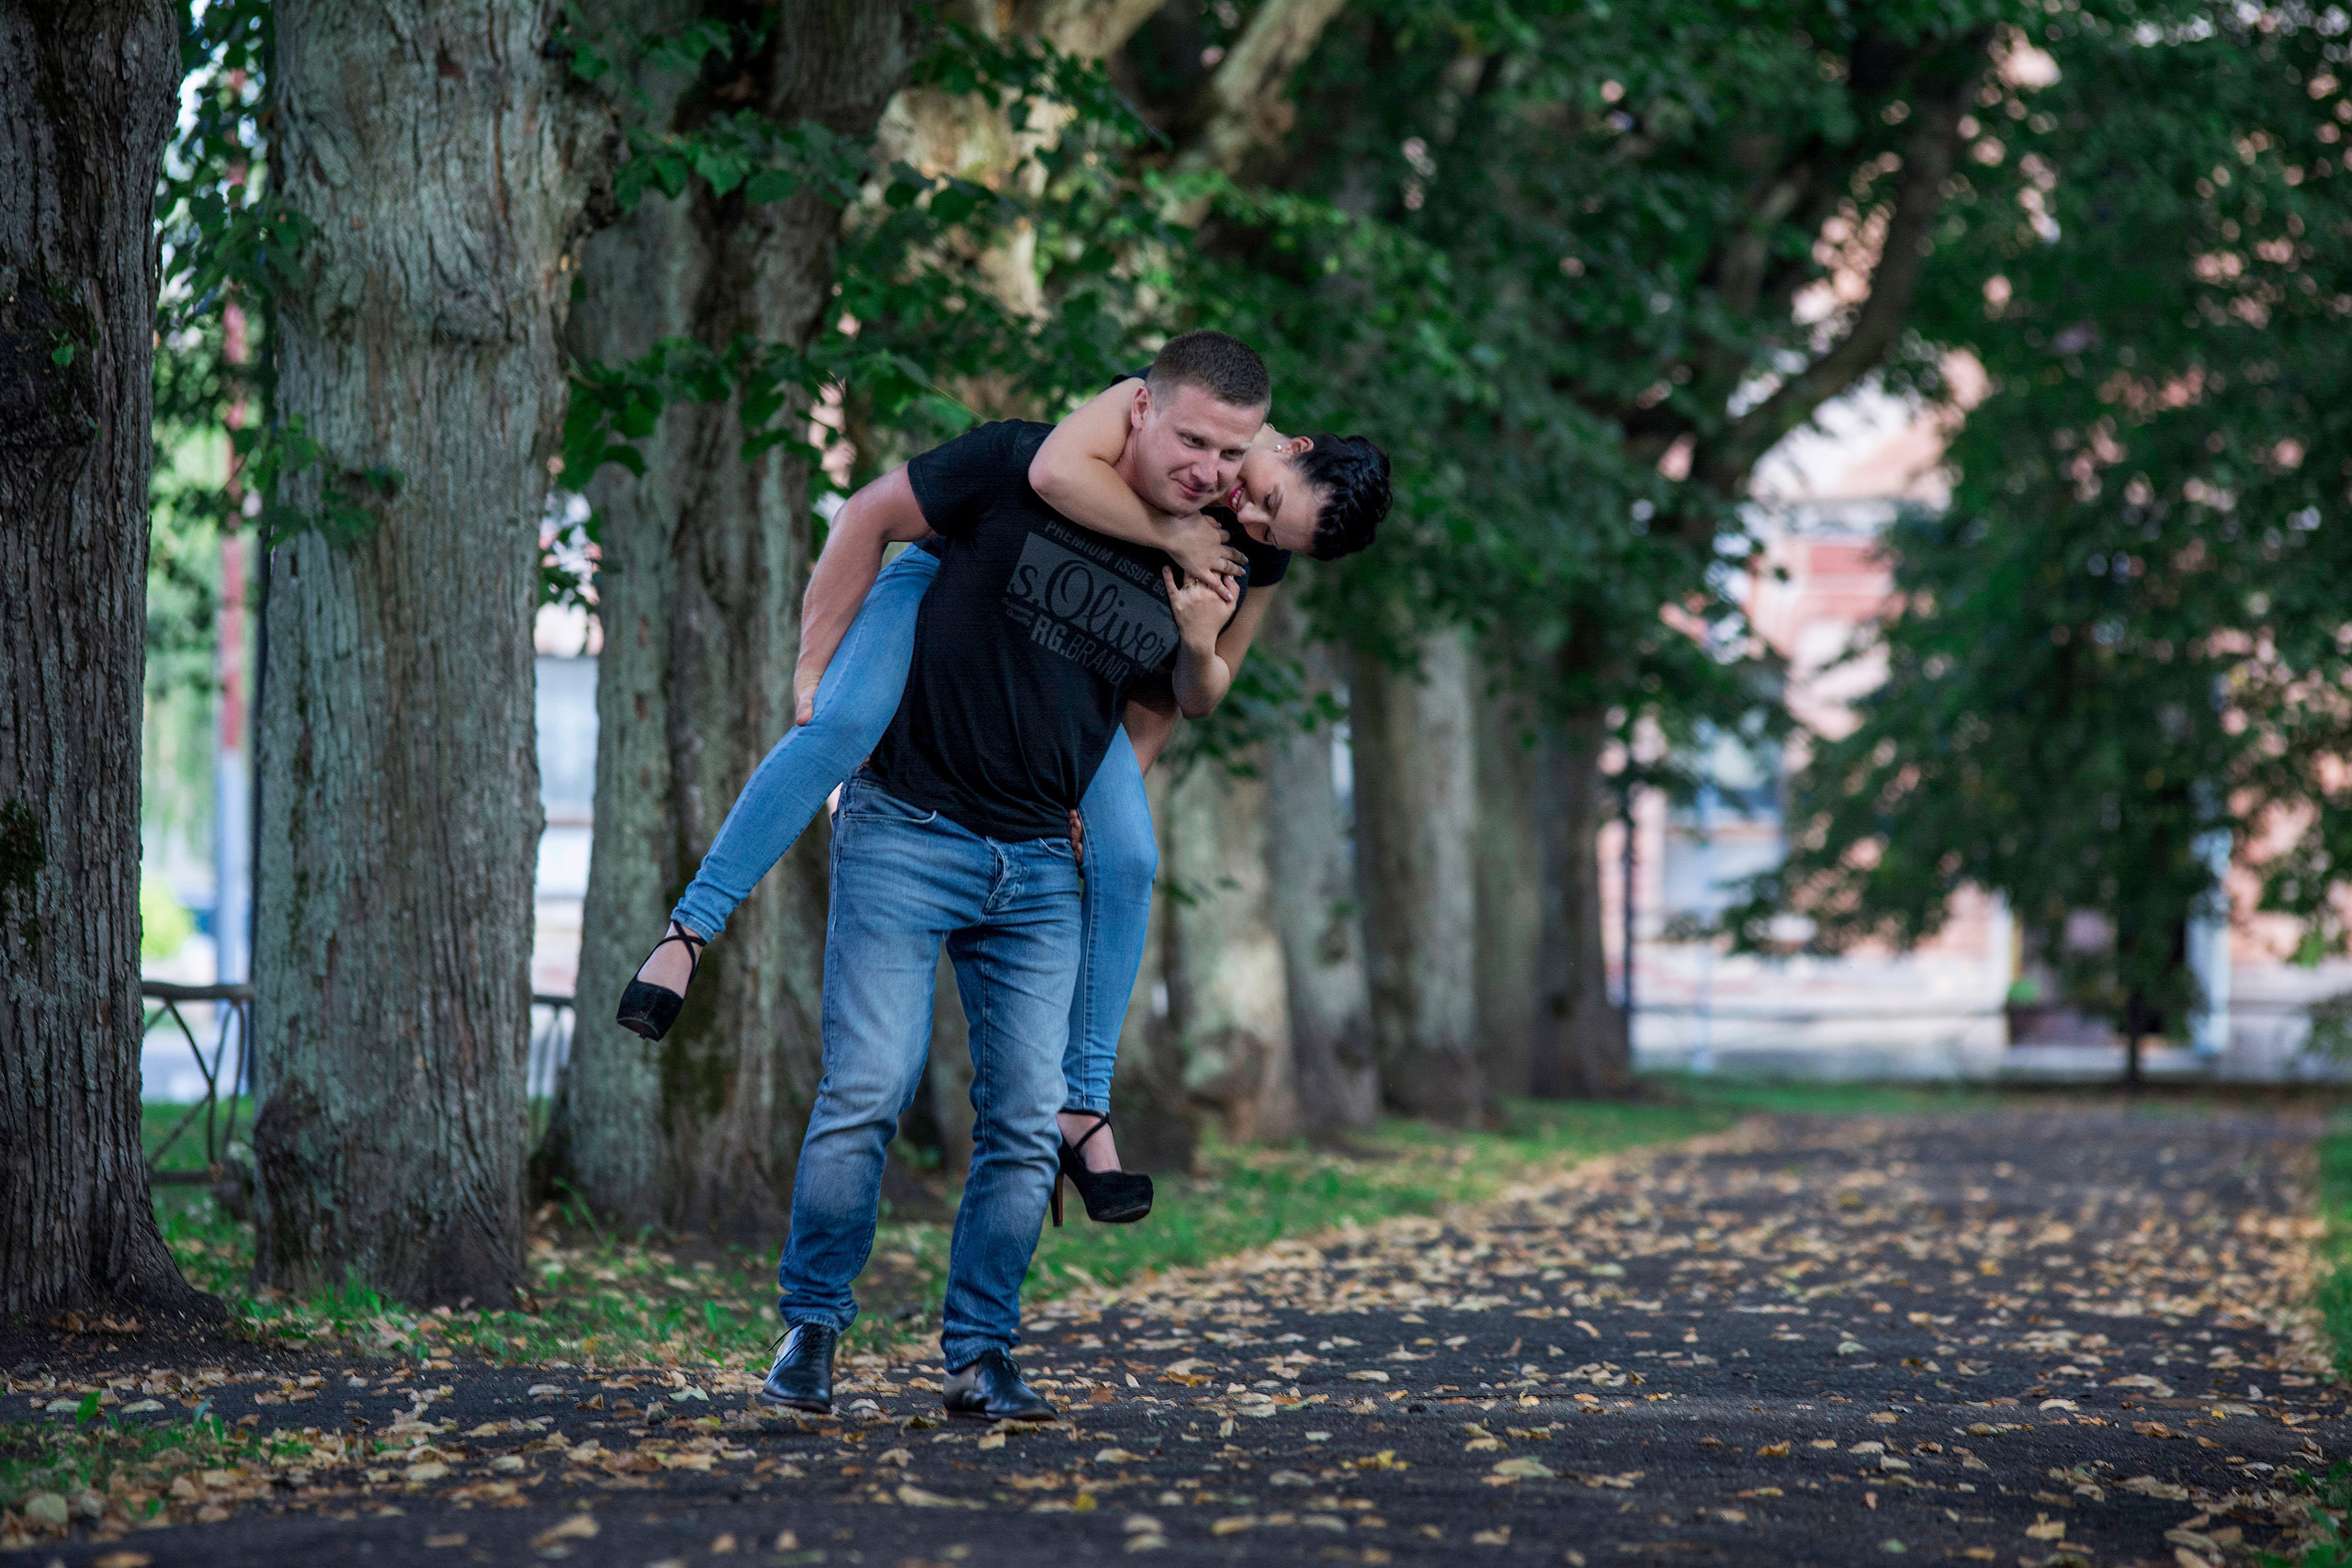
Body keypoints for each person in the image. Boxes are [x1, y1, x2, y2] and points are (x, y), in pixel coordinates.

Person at [616, 333, 1390, 1220]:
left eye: (1272, 534)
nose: (1250, 523)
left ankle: (1084, 1105)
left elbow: (1197, 691)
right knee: (844, 724)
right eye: (1266, 502)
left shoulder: (1258, 539)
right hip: (943, 576)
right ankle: (688, 932)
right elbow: (1056, 471)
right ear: (1287, 445)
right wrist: (1173, 535)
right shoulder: (1162, 410)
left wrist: (1172, 681)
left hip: (1074, 700)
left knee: (1131, 855)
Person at [748, 337, 1272, 1424]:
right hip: (907, 828)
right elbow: (868, 516)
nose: (1209, 470)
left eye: (1232, 454)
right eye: (1192, 439)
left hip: (1038, 867)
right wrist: (814, 668)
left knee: (1029, 1119)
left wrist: (1108, 798)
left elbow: (1160, 705)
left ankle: (981, 1353)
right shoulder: (1016, 465)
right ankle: (811, 1328)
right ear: (1138, 408)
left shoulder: (1208, 558)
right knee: (868, 1087)